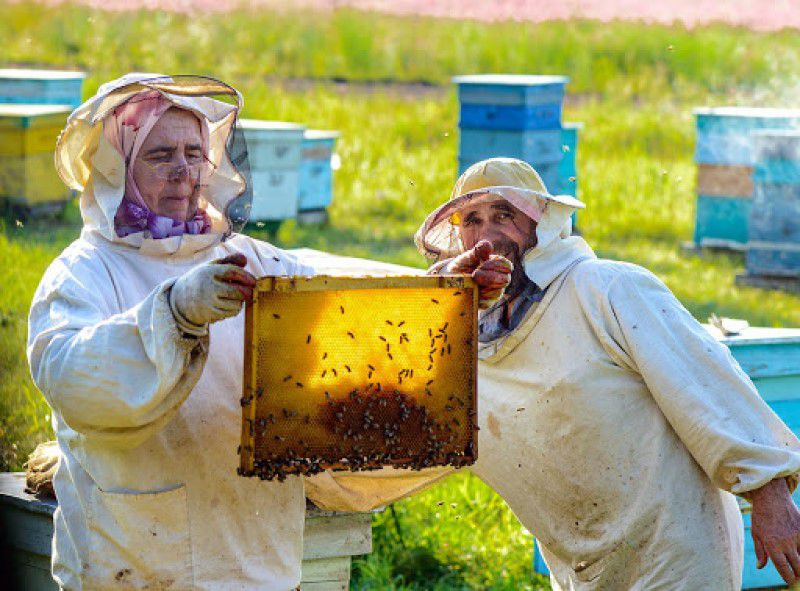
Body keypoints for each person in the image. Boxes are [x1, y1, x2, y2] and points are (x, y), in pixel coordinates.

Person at [409, 157, 800, 590]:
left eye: (505, 215)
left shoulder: (608, 289)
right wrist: (440, 299)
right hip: (580, 565)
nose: (487, 235)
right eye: (473, 220)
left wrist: (768, 492)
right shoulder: (461, 342)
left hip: (674, 547)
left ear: (542, 223)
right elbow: (395, 387)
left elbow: (704, 383)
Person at [27, 72, 319, 590]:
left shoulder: (253, 261)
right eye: (160, 156)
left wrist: (450, 289)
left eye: (193, 152)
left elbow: (347, 310)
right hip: (131, 568)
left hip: (259, 566)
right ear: (117, 170)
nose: (184, 171)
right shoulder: (83, 273)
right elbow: (73, 379)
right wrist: (176, 312)